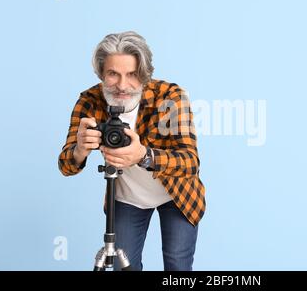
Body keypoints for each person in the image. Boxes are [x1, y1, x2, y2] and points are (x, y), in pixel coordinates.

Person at [58, 31, 206, 271]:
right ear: (101, 73)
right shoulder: (90, 101)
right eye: (113, 74)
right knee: (121, 265)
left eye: (132, 75)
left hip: (177, 194)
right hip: (128, 198)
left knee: (177, 266)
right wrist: (79, 150)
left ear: (144, 75)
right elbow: (65, 166)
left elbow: (190, 162)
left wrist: (144, 156)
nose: (122, 85)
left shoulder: (169, 98)